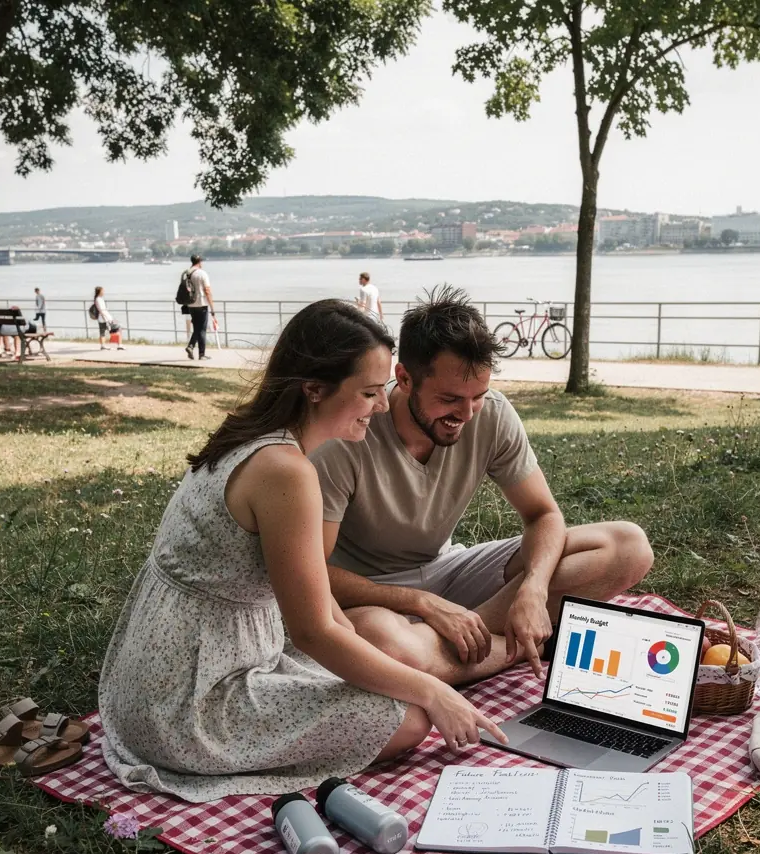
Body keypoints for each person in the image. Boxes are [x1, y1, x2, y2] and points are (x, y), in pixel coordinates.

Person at [98, 299, 507, 800]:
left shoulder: (255, 437)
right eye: (370, 392)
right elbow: (314, 632)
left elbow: (324, 611)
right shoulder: (285, 471)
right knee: (409, 718)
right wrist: (433, 690)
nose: (382, 406)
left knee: (384, 666)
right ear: (314, 389)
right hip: (188, 703)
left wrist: (391, 667)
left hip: (157, 677)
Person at [310, 285, 654, 686]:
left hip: (449, 570)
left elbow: (543, 514)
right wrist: (423, 603)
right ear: (404, 378)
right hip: (374, 593)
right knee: (385, 644)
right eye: (450, 398)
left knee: (628, 546)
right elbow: (312, 573)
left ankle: (455, 644)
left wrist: (534, 589)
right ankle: (510, 648)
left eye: (478, 396)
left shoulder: (492, 414)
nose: (467, 413)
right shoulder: (347, 437)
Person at [184, 254, 216, 361]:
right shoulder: (202, 273)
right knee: (202, 329)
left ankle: (191, 346)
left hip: (191, 304)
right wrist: (212, 307)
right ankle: (201, 354)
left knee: (197, 328)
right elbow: (207, 291)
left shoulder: (188, 273)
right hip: (201, 303)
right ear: (199, 262)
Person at [93, 286, 124, 350]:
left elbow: (101, 310)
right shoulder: (99, 299)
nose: (103, 292)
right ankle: (119, 345)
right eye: (102, 291)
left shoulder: (98, 299)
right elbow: (101, 310)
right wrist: (107, 318)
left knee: (102, 332)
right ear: (99, 292)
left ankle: (103, 346)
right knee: (118, 327)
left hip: (102, 319)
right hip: (105, 318)